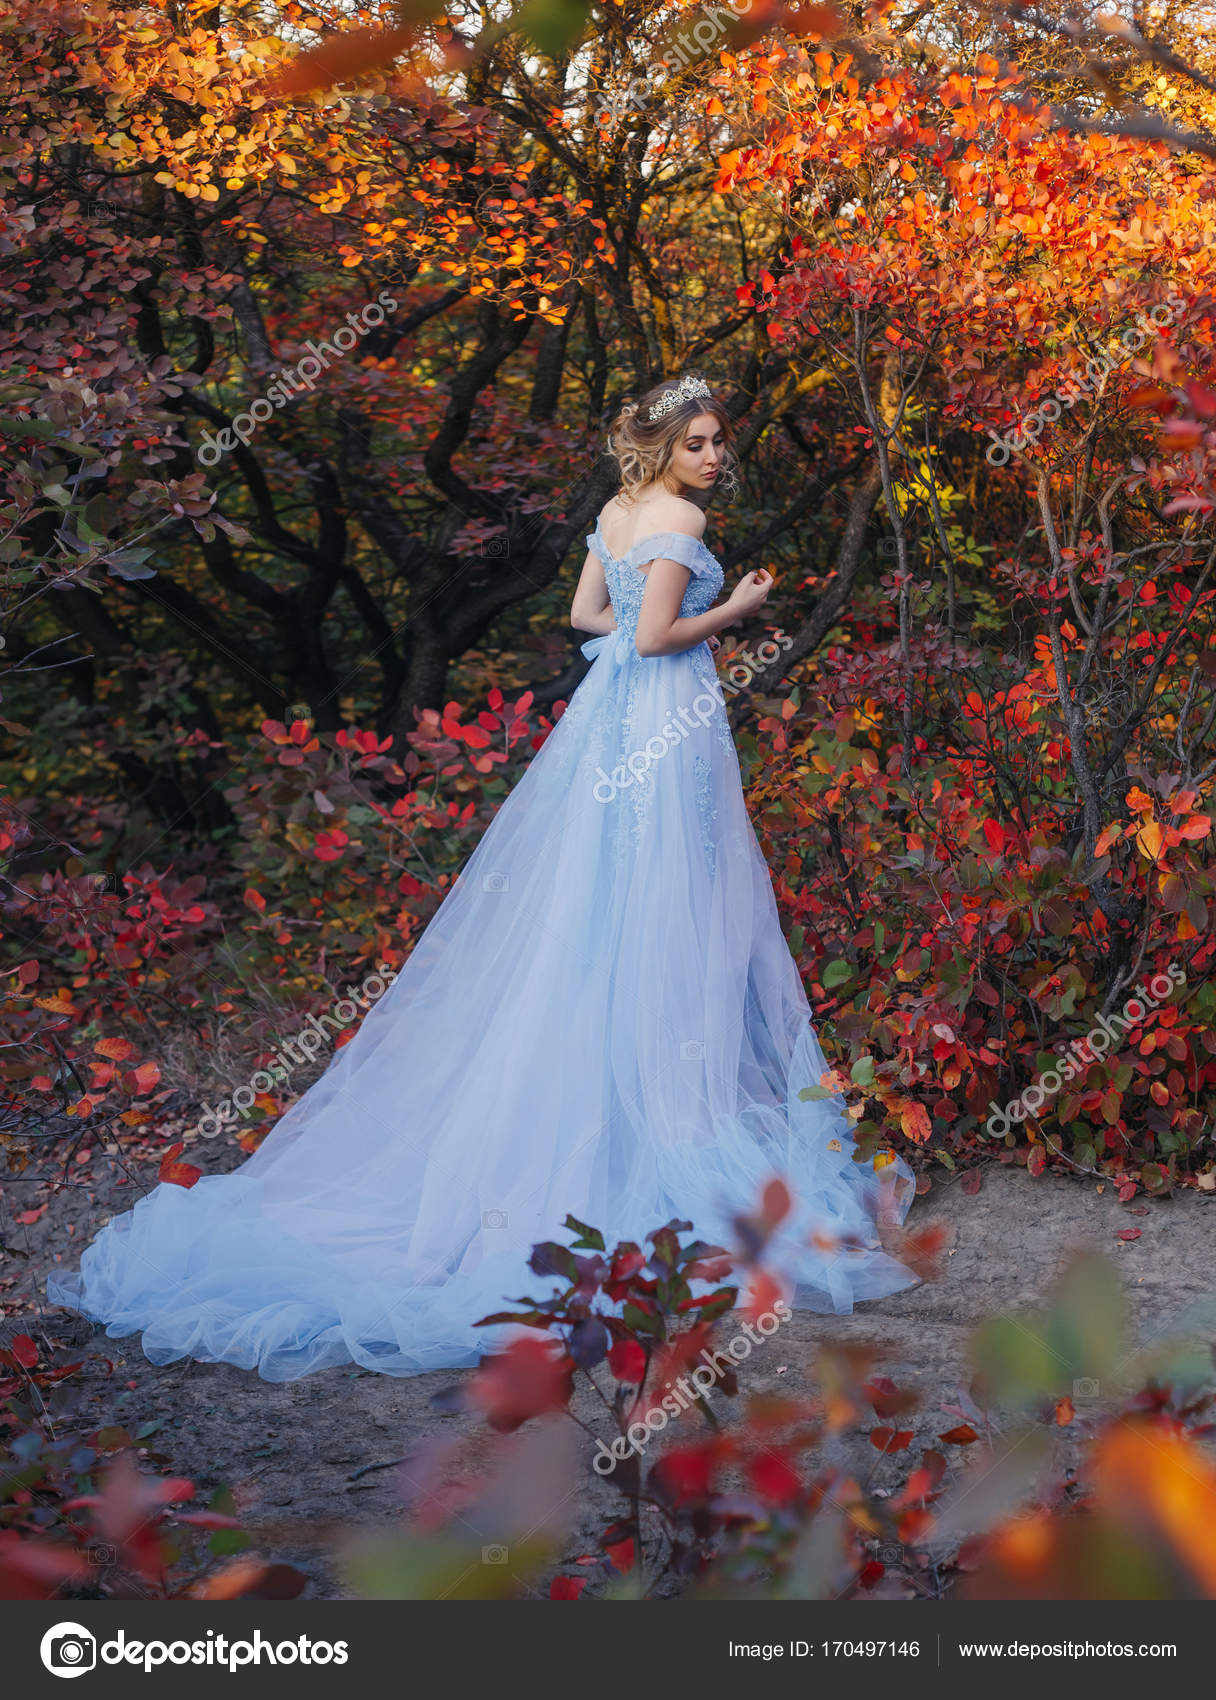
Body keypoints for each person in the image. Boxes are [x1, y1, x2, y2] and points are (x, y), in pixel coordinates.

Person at [47, 373, 919, 1382]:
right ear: (664, 450)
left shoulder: (616, 509)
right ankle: (657, 1106)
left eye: (719, 442)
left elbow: (589, 615)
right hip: (663, 722)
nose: (714, 458)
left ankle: (621, 1084)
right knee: (670, 904)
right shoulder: (674, 517)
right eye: (698, 443)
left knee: (597, 908)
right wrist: (736, 607)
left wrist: (655, 622)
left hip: (609, 728)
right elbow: (643, 635)